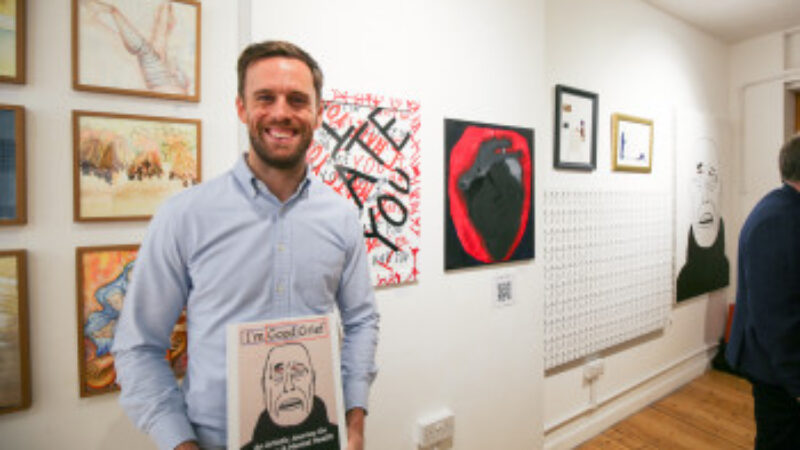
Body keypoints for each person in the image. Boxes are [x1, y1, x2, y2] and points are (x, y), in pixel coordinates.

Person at [111, 40, 379, 450]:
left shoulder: (341, 218)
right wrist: (179, 443)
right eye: (265, 98)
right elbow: (138, 347)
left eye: (297, 100)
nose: (281, 113)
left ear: (318, 113)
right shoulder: (184, 217)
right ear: (241, 108)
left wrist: (355, 421)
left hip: (318, 439)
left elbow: (361, 321)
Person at [726, 133, 800, 449]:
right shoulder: (777, 220)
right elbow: (775, 317)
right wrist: (796, 383)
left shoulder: (785, 209)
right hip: (777, 372)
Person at [242, 343, 338, 450]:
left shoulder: (343, 441)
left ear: (313, 380)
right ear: (264, 386)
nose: (288, 386)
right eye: (277, 376)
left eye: (298, 372)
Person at [677, 145, 730, 301]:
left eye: (712, 183)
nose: (705, 196)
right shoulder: (685, 277)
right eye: (698, 184)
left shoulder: (723, 266)